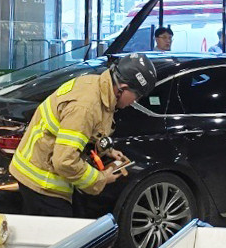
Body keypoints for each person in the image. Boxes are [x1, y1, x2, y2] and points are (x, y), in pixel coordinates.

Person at [10, 53, 157, 217]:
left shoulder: (97, 85)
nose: (134, 102)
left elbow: (89, 130)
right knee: (63, 239)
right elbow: (64, 161)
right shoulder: (86, 107)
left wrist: (107, 151)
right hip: (41, 181)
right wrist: (100, 179)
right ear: (122, 88)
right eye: (136, 96)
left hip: (42, 168)